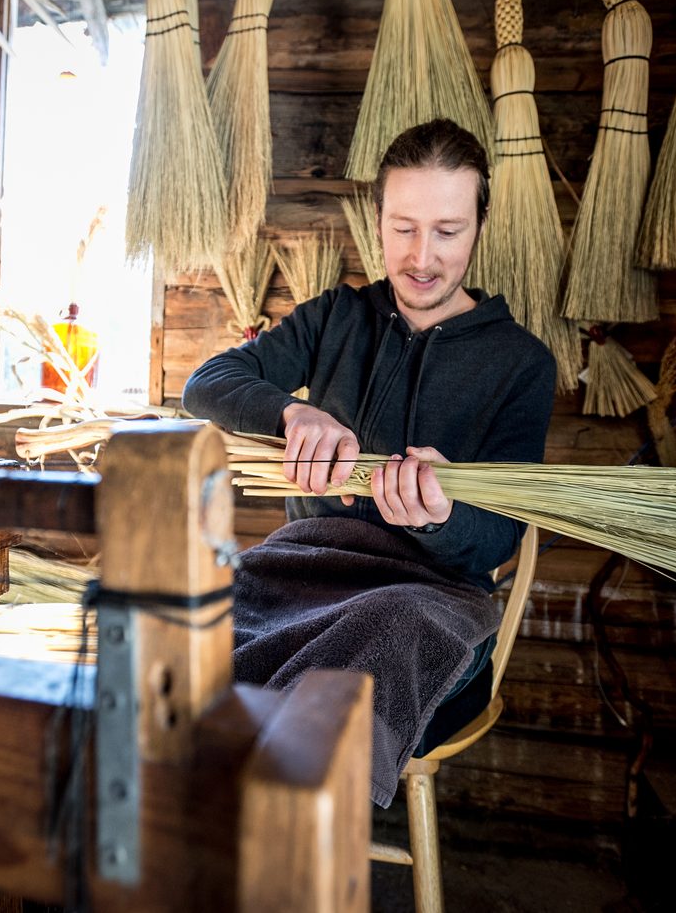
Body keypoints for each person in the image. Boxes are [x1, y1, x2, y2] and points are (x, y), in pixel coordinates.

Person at [182, 117, 556, 806]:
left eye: (447, 231)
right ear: (376, 220)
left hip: (430, 596)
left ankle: (286, 828)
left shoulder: (520, 363)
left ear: (480, 225)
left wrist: (440, 516)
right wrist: (292, 413)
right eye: (402, 228)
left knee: (387, 630)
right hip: (299, 570)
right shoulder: (335, 318)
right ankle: (185, 819)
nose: (421, 257)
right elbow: (206, 383)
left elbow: (500, 537)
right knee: (183, 627)